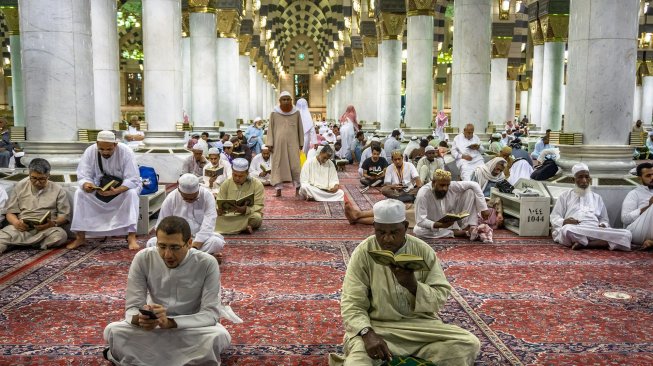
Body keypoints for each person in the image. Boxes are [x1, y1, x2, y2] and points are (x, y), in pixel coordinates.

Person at [329, 199, 480, 366]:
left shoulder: (423, 250)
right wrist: (366, 333)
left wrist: (413, 286)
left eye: (394, 232)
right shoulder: (363, 252)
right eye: (380, 232)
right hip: (378, 327)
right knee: (357, 363)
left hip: (421, 328)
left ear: (406, 226)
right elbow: (352, 302)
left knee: (468, 344)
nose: (387, 239)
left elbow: (440, 297)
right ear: (374, 228)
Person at [103, 216, 238, 365]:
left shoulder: (207, 263)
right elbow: (132, 308)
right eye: (162, 246)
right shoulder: (143, 258)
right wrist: (141, 320)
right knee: (113, 331)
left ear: (189, 243)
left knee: (219, 336)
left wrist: (171, 322)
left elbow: (210, 315)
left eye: (174, 247)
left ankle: (145, 357)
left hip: (190, 327)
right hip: (155, 327)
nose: (167, 255)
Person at [68, 131, 141, 250]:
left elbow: (133, 179)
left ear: (115, 145)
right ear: (97, 144)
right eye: (101, 149)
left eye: (109, 149)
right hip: (99, 187)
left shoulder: (126, 151)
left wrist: (116, 191)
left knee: (131, 194)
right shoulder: (90, 151)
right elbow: (83, 175)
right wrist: (87, 184)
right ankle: (80, 237)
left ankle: (131, 236)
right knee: (79, 193)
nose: (105, 152)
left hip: (121, 189)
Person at [551, 163, 632, 251]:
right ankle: (600, 243)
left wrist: (603, 225)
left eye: (587, 177)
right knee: (566, 230)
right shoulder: (565, 196)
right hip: (576, 228)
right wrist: (564, 221)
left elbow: (604, 219)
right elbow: (555, 216)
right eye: (580, 177)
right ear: (573, 179)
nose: (584, 180)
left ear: (590, 179)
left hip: (595, 229)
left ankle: (585, 244)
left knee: (627, 234)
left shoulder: (597, 197)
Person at [147, 174, 225, 262]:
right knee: (151, 243)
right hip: (176, 240)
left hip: (199, 240)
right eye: (186, 198)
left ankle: (181, 258)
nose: (190, 201)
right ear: (179, 191)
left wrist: (194, 246)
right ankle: (202, 258)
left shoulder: (207, 196)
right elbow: (161, 225)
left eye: (193, 198)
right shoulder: (171, 198)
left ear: (199, 188)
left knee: (216, 242)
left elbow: (209, 225)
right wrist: (175, 242)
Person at [0, 158, 70, 253]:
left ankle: (16, 243)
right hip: (23, 229)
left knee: (60, 236)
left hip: (46, 230)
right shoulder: (20, 186)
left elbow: (64, 216)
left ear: (48, 176)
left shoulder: (58, 190)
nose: (37, 182)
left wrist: (52, 224)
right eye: (34, 178)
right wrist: (17, 223)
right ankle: (35, 244)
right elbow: (10, 213)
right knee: (3, 235)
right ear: (29, 174)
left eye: (41, 179)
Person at [413, 169, 490, 239]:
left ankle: (470, 227)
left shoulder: (452, 186)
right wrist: (440, 225)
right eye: (442, 185)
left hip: (452, 221)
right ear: (433, 183)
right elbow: (420, 221)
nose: (445, 188)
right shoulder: (423, 194)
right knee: (418, 231)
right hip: (434, 225)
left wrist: (483, 208)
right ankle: (454, 232)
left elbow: (474, 184)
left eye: (447, 185)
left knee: (470, 192)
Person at [267, 91, 304, 197]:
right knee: (278, 166)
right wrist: (270, 143)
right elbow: (270, 128)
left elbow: (300, 128)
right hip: (278, 145)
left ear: (291, 101)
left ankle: (298, 189)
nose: (286, 101)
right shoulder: (274, 112)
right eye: (284, 99)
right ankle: (278, 190)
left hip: (293, 144)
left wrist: (301, 142)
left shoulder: (296, 112)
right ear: (280, 101)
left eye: (288, 99)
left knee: (295, 166)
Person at [215, 158, 264, 234]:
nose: (237, 178)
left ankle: (247, 225)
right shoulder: (226, 184)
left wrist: (246, 210)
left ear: (247, 174)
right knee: (212, 216)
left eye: (241, 176)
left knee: (257, 218)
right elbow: (219, 200)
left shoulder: (257, 184)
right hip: (228, 215)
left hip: (246, 215)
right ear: (232, 173)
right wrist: (219, 209)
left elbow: (259, 205)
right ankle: (244, 227)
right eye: (235, 175)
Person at [622, 162, 653, 250]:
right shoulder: (634, 194)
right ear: (640, 178)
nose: (652, 178)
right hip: (637, 231)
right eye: (648, 176)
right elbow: (625, 219)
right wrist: (648, 206)